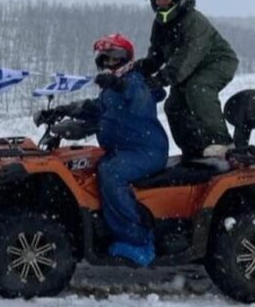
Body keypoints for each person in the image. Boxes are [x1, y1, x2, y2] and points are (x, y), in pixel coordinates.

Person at [36, 34, 169, 266]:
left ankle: (137, 240)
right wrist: (61, 111)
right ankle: (101, 227)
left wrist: (119, 85)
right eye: (104, 59)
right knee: (88, 168)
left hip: (145, 151)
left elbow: (140, 102)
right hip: (123, 149)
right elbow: (96, 108)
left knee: (111, 173)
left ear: (126, 59)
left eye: (115, 58)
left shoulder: (136, 81)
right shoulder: (111, 89)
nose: (109, 63)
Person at [131, 0, 238, 159]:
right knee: (173, 105)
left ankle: (222, 142)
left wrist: (161, 79)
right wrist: (137, 69)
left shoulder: (194, 22)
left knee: (198, 89)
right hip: (190, 68)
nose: (160, 3)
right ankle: (195, 150)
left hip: (217, 62)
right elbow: (156, 55)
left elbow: (185, 59)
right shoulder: (160, 24)